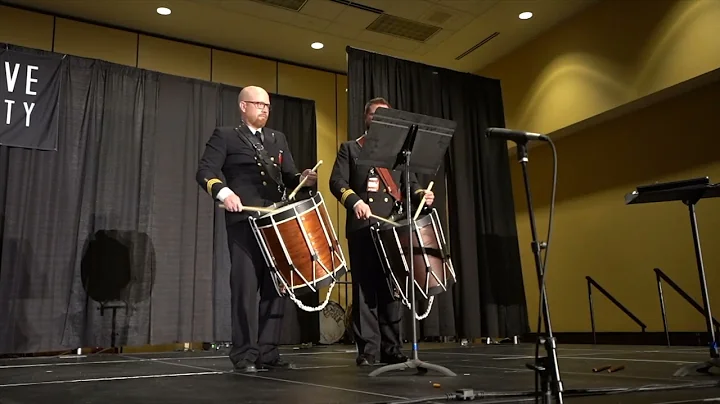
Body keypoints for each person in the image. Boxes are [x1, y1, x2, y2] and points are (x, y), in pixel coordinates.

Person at [196, 85, 317, 373]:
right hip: (245, 223)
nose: (264, 109)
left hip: (276, 222)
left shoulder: (278, 138)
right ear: (243, 106)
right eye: (258, 104)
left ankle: (267, 353)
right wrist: (225, 194)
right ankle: (244, 355)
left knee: (277, 289)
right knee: (245, 288)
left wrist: (304, 178)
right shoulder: (225, 136)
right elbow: (205, 172)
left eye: (267, 105)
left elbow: (289, 177)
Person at [329, 97, 435, 366]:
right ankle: (368, 351)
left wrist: (423, 194)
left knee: (391, 290)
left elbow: (410, 184)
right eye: (377, 115)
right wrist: (355, 202)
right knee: (365, 291)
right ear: (367, 117)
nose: (381, 121)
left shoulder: (399, 153)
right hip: (363, 227)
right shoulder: (351, 148)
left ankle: (392, 348)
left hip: (391, 229)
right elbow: (337, 181)